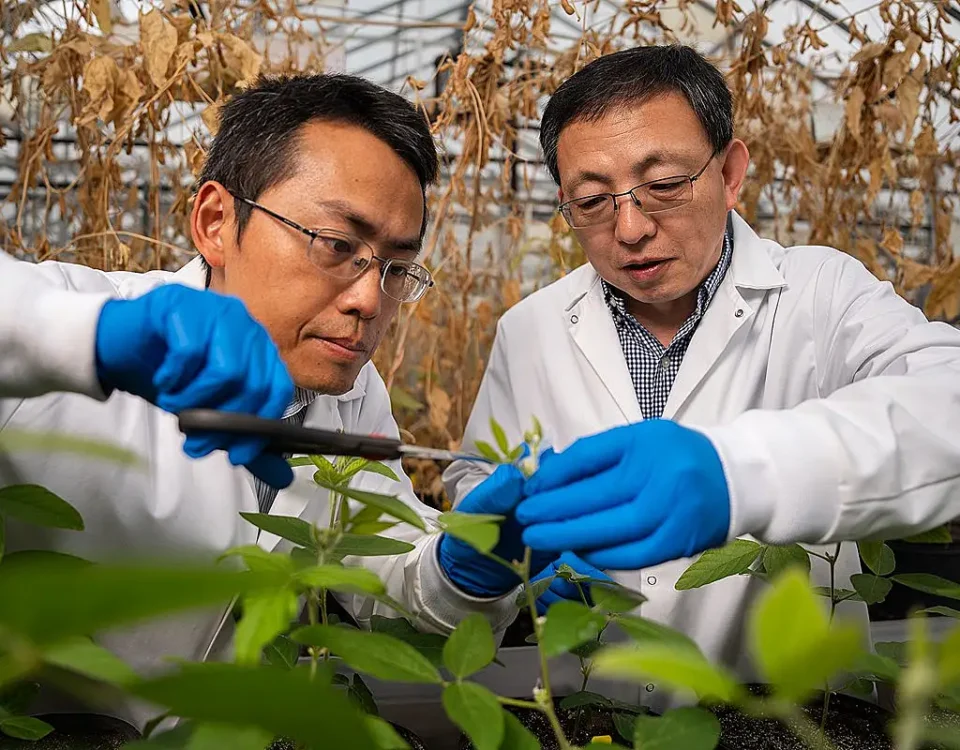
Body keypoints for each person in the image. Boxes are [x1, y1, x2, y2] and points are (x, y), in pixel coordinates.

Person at [0, 72, 530, 728]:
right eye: (337, 246)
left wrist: (466, 569)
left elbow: (389, 569)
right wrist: (87, 340)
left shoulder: (352, 393)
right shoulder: (81, 313)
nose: (370, 300)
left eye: (396, 268)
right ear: (216, 223)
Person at [441, 44, 960, 710]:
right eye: (592, 201)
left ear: (731, 173)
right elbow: (476, 475)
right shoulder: (530, 328)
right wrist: (518, 555)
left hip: (796, 716)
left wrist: (738, 474)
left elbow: (946, 400)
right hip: (596, 714)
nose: (630, 230)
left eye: (663, 186)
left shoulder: (820, 293)